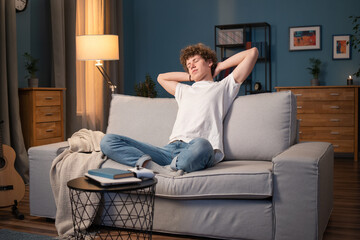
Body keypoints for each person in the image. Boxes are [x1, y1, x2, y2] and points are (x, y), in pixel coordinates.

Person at [100, 43, 258, 174]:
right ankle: (157, 168)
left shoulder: (223, 87)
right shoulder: (184, 90)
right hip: (169, 151)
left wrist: (220, 66)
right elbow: (161, 77)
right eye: (189, 65)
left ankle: (171, 168)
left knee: (203, 145)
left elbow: (252, 53)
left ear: (209, 62)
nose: (192, 66)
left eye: (195, 61)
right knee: (108, 141)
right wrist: (192, 77)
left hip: (198, 149)